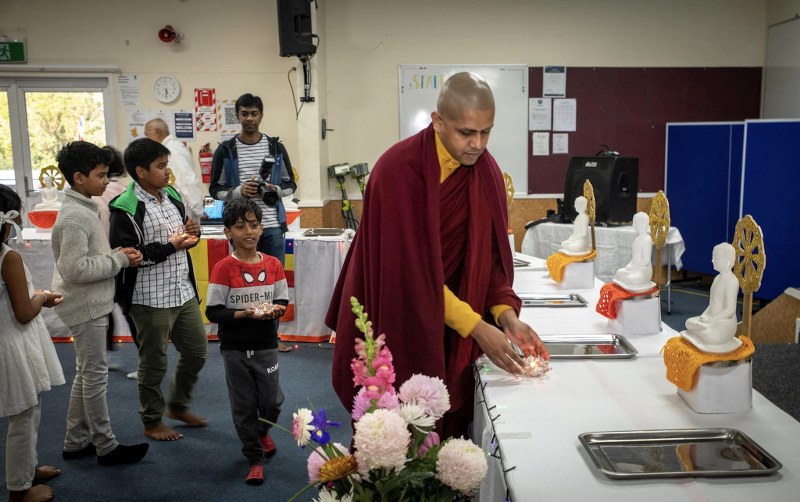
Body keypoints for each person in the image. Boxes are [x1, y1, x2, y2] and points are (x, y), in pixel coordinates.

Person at [325, 72, 549, 439]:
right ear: (438, 120)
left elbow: (489, 262)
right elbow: (408, 279)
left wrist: (505, 315)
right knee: (399, 435)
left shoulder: (486, 172)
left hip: (453, 326)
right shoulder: (398, 171)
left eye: (486, 132)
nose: (478, 144)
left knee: (449, 438)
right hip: (399, 320)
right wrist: (477, 328)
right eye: (466, 132)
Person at [50, 141, 150, 466]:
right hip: (85, 305)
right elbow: (75, 269)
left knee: (85, 373)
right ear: (79, 178)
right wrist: (118, 260)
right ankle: (105, 445)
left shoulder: (84, 210)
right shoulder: (75, 217)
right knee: (94, 376)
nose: (106, 181)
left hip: (90, 302)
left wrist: (115, 258)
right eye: (101, 175)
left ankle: (75, 441)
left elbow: (88, 260)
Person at [109, 138, 209, 441]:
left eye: (167, 165)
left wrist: (193, 235)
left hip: (181, 290)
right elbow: (130, 256)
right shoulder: (125, 208)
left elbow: (183, 239)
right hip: (148, 297)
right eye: (161, 166)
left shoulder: (172, 196)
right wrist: (171, 246)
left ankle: (177, 405)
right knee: (154, 363)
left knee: (197, 351)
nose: (168, 171)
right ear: (141, 171)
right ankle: (151, 421)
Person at [205, 198, 288, 486]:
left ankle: (264, 430)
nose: (248, 232)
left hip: (266, 345)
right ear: (228, 232)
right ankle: (254, 458)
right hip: (235, 350)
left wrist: (275, 310)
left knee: (272, 399)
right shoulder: (223, 268)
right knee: (243, 406)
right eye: (240, 227)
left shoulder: (274, 264)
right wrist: (242, 313)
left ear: (262, 228)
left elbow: (281, 302)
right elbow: (213, 311)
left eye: (254, 225)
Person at [209, 93, 297, 352]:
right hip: (239, 229)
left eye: (254, 113)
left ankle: (271, 337)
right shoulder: (225, 150)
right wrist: (238, 192)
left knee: (273, 285)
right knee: (242, 284)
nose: (249, 118)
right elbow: (215, 189)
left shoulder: (275, 147)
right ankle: (242, 334)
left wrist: (274, 189)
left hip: (270, 226)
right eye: (244, 113)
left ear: (261, 115)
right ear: (237, 116)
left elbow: (291, 184)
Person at [0, 184, 65, 502]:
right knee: (24, 415)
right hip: (12, 342)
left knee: (28, 411)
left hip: (8, 337)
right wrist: (41, 296)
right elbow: (24, 313)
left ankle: (26, 468)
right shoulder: (7, 257)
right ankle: (19, 490)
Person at [90, 146, 137, 377]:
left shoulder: (98, 195)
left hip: (107, 258)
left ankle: (109, 353)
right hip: (125, 257)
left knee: (109, 307)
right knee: (128, 309)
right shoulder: (127, 189)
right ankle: (140, 357)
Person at [144, 118, 205, 223]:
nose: (146, 139)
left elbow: (187, 181)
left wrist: (199, 211)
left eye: (147, 134)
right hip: (180, 211)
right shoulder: (172, 147)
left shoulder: (172, 151)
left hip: (184, 213)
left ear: (158, 132)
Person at [684, 242, 739, 345]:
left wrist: (711, 320)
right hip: (712, 318)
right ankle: (703, 330)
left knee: (710, 335)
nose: (712, 260)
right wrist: (704, 317)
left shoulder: (732, 281)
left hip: (725, 322)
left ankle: (704, 332)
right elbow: (711, 304)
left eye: (716, 257)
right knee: (688, 322)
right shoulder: (717, 279)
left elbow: (730, 310)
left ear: (727, 260)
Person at [612, 211, 654, 290]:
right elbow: (634, 259)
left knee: (632, 279)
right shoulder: (637, 239)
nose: (633, 225)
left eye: (635, 223)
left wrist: (634, 267)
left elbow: (646, 261)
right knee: (619, 273)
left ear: (643, 224)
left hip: (643, 270)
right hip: (635, 268)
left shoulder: (647, 240)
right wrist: (629, 266)